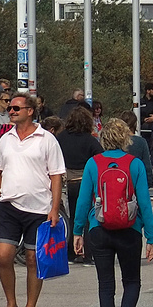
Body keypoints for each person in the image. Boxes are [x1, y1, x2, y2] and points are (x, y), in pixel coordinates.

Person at [72, 118, 153, 307]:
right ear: (125, 139)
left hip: (99, 229)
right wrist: (151, 237)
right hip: (129, 230)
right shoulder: (135, 164)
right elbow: (144, 204)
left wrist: (78, 231)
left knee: (105, 285)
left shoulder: (93, 163)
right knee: (132, 281)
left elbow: (83, 200)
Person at [0, 93, 66, 307]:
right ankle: (10, 305)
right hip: (8, 205)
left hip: (39, 208)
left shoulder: (46, 139)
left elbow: (56, 176)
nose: (11, 111)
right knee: (3, 255)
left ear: (30, 111)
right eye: (10, 108)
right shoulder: (6, 138)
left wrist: (54, 208)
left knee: (33, 258)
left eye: (16, 108)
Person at [58, 106, 100, 261]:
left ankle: (70, 253)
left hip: (67, 181)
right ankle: (89, 254)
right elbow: (100, 156)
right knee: (88, 217)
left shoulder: (61, 137)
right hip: (85, 181)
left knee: (71, 217)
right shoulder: (89, 139)